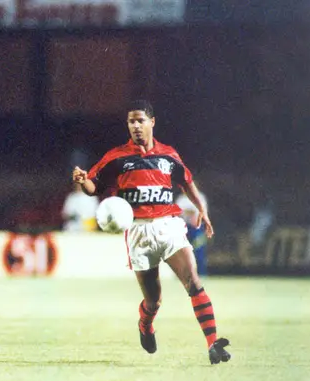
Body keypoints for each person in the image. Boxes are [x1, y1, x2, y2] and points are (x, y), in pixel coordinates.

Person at [71, 100, 231, 364]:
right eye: (131, 121)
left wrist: (202, 209)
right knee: (154, 301)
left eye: (140, 120)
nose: (135, 125)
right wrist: (82, 180)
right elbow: (93, 186)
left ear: (152, 122)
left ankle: (213, 344)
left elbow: (187, 182)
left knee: (194, 283)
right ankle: (146, 325)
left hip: (169, 226)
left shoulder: (168, 155)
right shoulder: (117, 157)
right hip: (138, 232)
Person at [176, 190, 209, 276]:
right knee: (183, 252)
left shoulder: (199, 196)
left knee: (199, 251)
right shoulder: (181, 199)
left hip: (198, 228)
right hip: (184, 228)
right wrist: (190, 211)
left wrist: (186, 211)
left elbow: (200, 211)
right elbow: (177, 212)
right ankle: (185, 274)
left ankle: (201, 274)